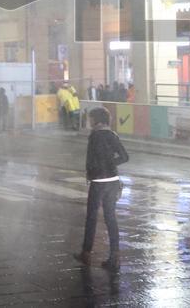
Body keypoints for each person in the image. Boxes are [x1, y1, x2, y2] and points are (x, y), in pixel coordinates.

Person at [73, 107, 128, 272]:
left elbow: (90, 161)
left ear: (97, 120)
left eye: (91, 119)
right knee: (111, 217)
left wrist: (91, 174)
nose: (89, 122)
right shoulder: (112, 135)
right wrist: (111, 165)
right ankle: (115, 256)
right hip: (113, 181)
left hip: (98, 181)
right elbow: (125, 157)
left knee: (92, 216)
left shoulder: (95, 136)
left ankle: (86, 253)